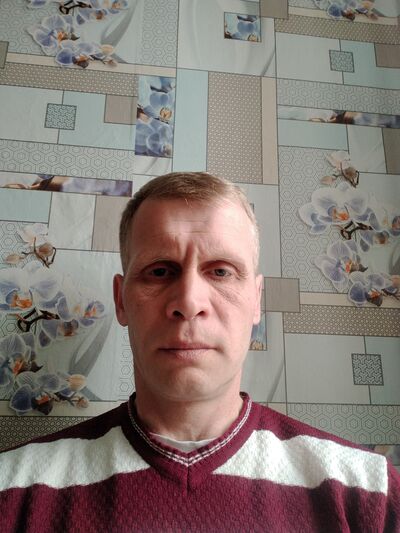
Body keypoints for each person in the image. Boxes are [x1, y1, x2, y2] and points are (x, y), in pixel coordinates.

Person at [0, 171, 399, 533]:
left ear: (257, 300)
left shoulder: (370, 493)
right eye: (160, 271)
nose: (189, 302)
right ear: (121, 300)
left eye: (221, 271)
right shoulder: (11, 489)